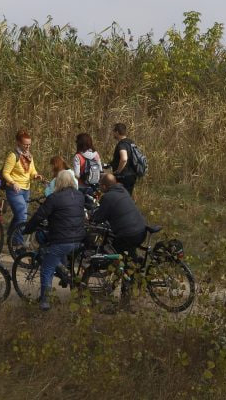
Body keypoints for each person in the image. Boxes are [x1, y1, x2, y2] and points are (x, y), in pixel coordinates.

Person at [23, 170, 86, 311]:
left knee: (47, 268)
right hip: (79, 239)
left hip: (62, 240)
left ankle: (45, 302)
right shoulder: (79, 196)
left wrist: (27, 229)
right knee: (58, 252)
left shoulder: (54, 198)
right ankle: (64, 271)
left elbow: (39, 216)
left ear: (58, 182)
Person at [93, 173, 149, 306]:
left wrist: (90, 216)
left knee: (116, 256)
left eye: (101, 186)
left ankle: (125, 296)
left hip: (128, 233)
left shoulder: (108, 197)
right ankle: (134, 271)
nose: (100, 188)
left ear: (105, 186)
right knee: (129, 255)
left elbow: (99, 217)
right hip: (141, 230)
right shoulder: (122, 189)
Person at [2, 129, 44, 253]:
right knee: (22, 216)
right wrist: (13, 183)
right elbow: (5, 173)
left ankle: (11, 238)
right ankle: (18, 245)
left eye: (29, 144)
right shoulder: (13, 156)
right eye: (25, 144)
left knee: (19, 216)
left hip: (26, 189)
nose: (27, 146)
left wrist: (36, 176)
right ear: (18, 143)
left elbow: (31, 171)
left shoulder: (29, 156)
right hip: (14, 190)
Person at [110, 122, 138, 196]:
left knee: (120, 197)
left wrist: (118, 171)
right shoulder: (131, 142)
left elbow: (124, 159)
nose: (113, 134)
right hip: (132, 175)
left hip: (123, 177)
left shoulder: (122, 144)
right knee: (127, 197)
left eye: (113, 132)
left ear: (117, 132)